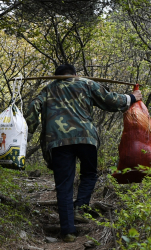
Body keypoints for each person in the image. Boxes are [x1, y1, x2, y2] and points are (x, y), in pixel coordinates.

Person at [25, 63, 142, 240]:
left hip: (58, 141)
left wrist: (25, 134)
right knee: (89, 174)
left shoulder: (48, 89)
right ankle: (80, 208)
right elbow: (109, 100)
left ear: (57, 76)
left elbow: (34, 107)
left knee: (64, 184)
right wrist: (131, 97)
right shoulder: (86, 83)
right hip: (86, 138)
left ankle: (68, 231)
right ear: (74, 74)